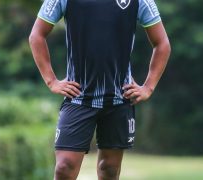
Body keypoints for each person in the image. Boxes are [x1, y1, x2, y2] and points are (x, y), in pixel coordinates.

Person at [29, 0, 171, 179]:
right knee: (64, 167)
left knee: (109, 169)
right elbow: (37, 35)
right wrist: (52, 81)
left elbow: (162, 43)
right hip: (78, 97)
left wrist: (148, 87)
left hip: (119, 99)